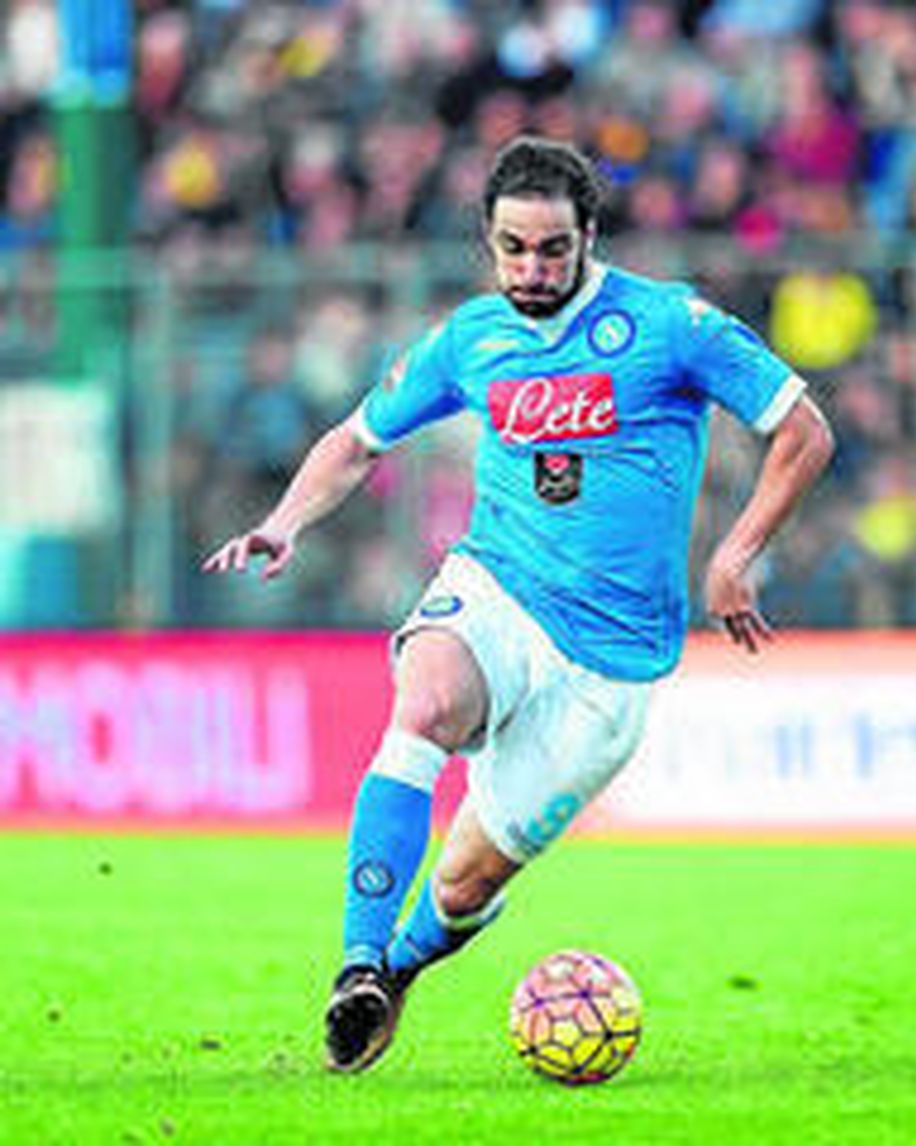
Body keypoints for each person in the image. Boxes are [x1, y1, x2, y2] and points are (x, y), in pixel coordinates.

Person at [202, 136, 834, 1074]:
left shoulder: (672, 325)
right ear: (488, 240)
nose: (531, 270)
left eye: (551, 250)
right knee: (424, 706)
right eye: (512, 249)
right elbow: (357, 440)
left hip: (611, 662)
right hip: (497, 585)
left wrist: (738, 553)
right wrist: (283, 523)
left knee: (463, 885)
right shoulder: (470, 338)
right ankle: (356, 964)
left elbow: (803, 430)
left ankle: (397, 971)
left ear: (589, 238)